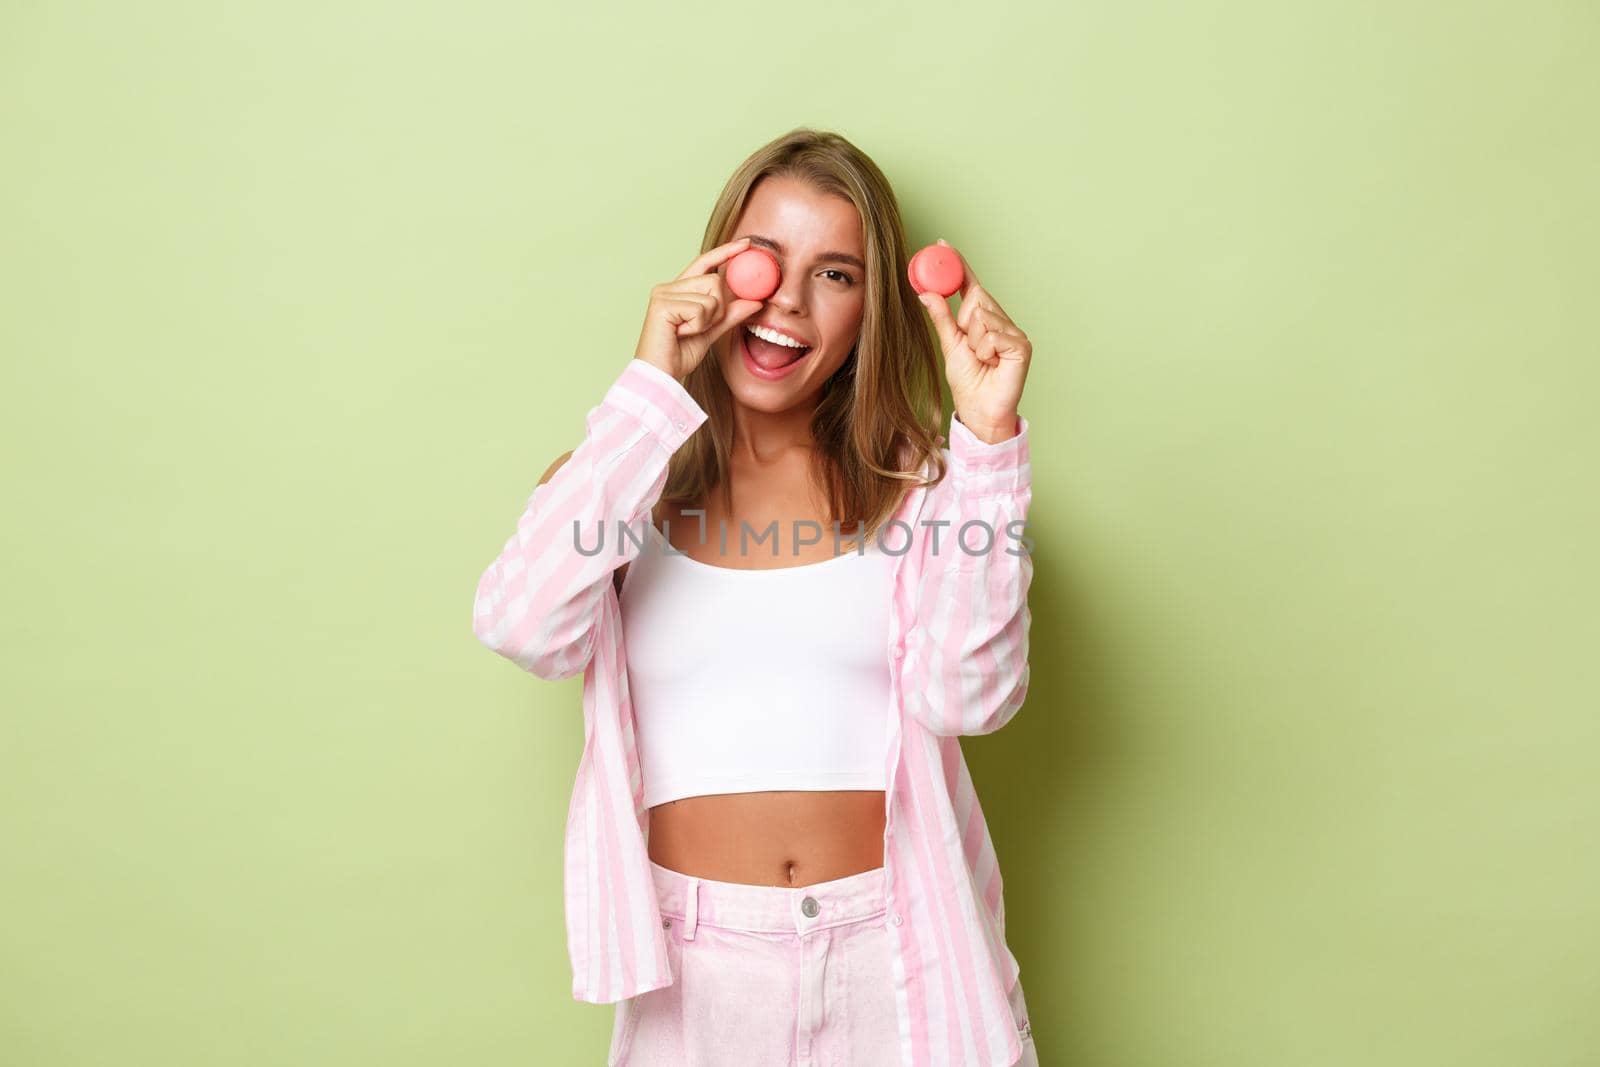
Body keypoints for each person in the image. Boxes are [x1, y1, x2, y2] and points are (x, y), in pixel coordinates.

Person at [472, 127, 1039, 1066]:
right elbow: (521, 624)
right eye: (761, 259)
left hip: (900, 956)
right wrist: (653, 386)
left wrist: (986, 442)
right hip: (698, 973)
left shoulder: (926, 488)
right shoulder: (620, 482)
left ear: (870, 311)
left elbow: (967, 699)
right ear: (712, 269)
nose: (786, 303)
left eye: (836, 275)